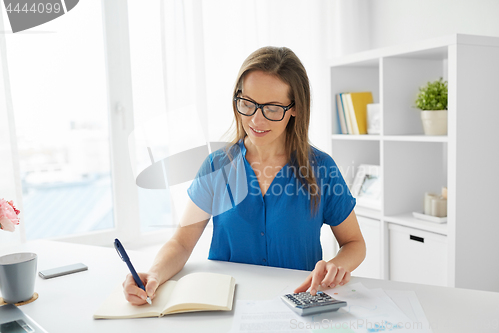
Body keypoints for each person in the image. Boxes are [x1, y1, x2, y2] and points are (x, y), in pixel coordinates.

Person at [123, 46, 366, 305]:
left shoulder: (321, 168)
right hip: (225, 305)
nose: (256, 120)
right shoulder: (216, 165)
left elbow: (354, 243)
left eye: (272, 108)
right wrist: (154, 274)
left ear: (295, 108)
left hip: (297, 305)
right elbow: (182, 243)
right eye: (247, 104)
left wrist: (335, 266)